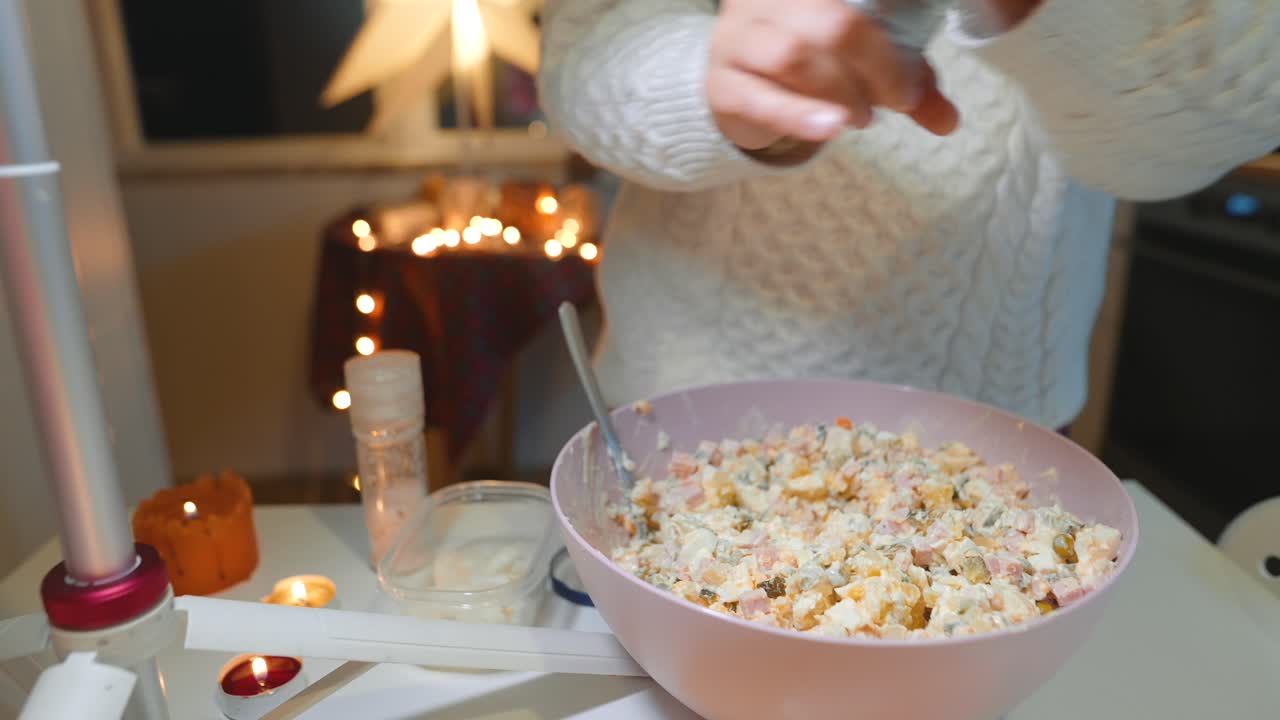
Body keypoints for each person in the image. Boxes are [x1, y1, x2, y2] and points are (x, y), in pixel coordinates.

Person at [537, 0, 1280, 432]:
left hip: (990, 445)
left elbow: (1214, 125)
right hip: (679, 416)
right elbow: (581, 66)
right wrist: (719, 86)